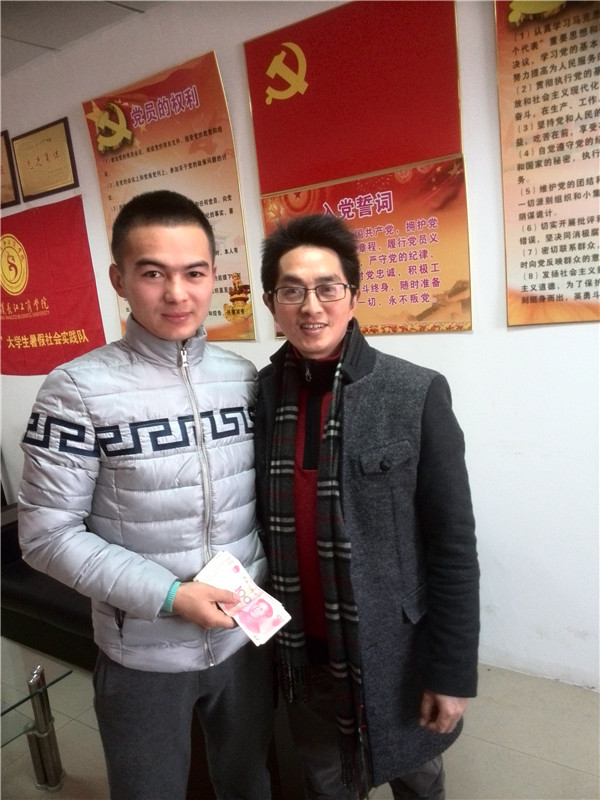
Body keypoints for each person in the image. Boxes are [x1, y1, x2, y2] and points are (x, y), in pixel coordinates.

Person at [18, 190, 274, 800]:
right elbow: (46, 537)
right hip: (144, 653)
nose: (177, 294)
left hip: (243, 640)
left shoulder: (243, 379)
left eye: (194, 273)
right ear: (120, 280)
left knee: (250, 783)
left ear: (215, 276)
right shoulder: (75, 391)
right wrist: (171, 596)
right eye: (153, 273)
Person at [254, 214, 480, 800]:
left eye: (328, 288)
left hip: (396, 652)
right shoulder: (261, 396)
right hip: (302, 652)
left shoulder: (415, 392)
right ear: (272, 304)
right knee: (326, 781)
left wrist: (452, 672)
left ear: (354, 296)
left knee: (418, 779)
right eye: (291, 291)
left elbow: (453, 545)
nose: (311, 307)